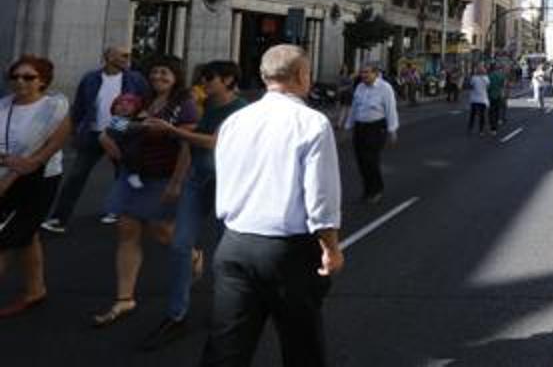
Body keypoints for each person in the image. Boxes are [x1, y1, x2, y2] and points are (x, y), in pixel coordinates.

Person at [201, 45, 342, 366]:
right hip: (287, 252)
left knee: (226, 348)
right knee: (301, 346)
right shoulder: (312, 123)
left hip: (234, 244)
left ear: (266, 77)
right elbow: (320, 197)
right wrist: (330, 247)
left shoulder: (236, 121)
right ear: (301, 76)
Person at [141, 60, 248, 350]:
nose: (203, 82)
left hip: (226, 184)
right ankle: (177, 315)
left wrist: (173, 131)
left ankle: (229, 310)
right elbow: (193, 144)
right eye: (201, 77)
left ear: (227, 80)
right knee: (179, 245)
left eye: (209, 77)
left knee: (224, 251)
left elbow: (215, 142)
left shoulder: (240, 110)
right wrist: (178, 181)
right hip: (197, 180)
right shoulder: (207, 105)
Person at [93, 55, 199, 328]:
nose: (159, 77)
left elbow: (187, 145)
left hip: (164, 177)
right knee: (127, 230)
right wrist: (118, 134)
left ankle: (193, 254)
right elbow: (113, 125)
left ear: (176, 76)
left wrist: (177, 182)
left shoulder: (184, 105)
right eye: (155, 72)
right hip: (134, 176)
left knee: (162, 231)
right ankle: (125, 297)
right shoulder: (140, 100)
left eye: (165, 72)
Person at [42, 46, 149, 234]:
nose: (127, 58)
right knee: (76, 176)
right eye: (123, 54)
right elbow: (80, 107)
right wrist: (73, 131)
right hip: (93, 134)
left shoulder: (135, 78)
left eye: (128, 55)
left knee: (124, 174)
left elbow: (146, 103)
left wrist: (136, 126)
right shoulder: (90, 78)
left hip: (120, 134)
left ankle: (124, 211)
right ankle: (59, 219)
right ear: (108, 57)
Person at [0, 55, 71, 318]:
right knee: (26, 236)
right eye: (16, 77)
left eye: (29, 77)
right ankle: (35, 289)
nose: (21, 82)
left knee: (6, 239)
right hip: (5, 176)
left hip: (40, 179)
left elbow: (56, 141)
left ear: (42, 81)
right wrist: (7, 162)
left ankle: (35, 290)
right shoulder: (3, 106)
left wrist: (30, 162)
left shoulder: (54, 106)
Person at [345, 63, 400, 203]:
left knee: (371, 160)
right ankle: (367, 189)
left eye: (367, 72)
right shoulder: (360, 87)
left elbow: (390, 109)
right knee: (361, 160)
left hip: (376, 128)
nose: (363, 75)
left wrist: (392, 130)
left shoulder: (385, 88)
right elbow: (354, 107)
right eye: (362, 72)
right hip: (360, 127)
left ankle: (377, 190)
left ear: (375, 73)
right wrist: (349, 124)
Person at [466, 65, 490, 136]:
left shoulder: (474, 78)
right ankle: (481, 131)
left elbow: (471, 86)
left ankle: (470, 128)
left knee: (472, 114)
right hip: (483, 99)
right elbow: (488, 87)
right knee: (482, 115)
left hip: (474, 99)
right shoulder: (486, 78)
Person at [487, 64, 509, 135]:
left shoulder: (489, 76)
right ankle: (495, 127)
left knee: (491, 111)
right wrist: (503, 93)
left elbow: (487, 86)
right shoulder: (501, 75)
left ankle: (492, 127)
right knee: (497, 111)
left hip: (491, 95)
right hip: (499, 95)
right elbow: (504, 84)